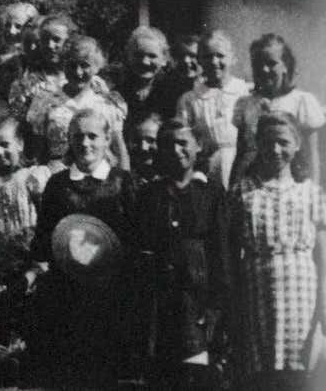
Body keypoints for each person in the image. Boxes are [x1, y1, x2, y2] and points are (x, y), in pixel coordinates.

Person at [26, 109, 138, 383]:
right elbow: (43, 239)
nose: (85, 144)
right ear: (69, 140)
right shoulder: (58, 184)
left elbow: (135, 239)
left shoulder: (122, 182)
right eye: (78, 137)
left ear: (107, 138)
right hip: (68, 288)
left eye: (93, 136)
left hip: (111, 289)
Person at [228, 113, 326, 388]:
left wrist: (324, 297)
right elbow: (233, 252)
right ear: (258, 144)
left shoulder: (309, 191)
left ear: (296, 145)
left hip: (301, 293)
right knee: (262, 374)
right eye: (267, 142)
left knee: (300, 373)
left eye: (283, 142)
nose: (275, 150)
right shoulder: (242, 192)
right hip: (256, 292)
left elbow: (322, 252)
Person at [138, 117, 226, 386]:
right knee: (164, 374)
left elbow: (221, 252)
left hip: (197, 297)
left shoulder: (210, 191)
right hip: (160, 300)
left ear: (198, 145)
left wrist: (215, 306)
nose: (176, 150)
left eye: (182, 143)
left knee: (196, 374)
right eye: (167, 145)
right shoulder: (150, 194)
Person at [234, 34, 322, 182]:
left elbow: (312, 157)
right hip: (252, 182)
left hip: (292, 181)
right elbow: (241, 152)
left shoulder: (302, 101)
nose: (264, 69)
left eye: (271, 63)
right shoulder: (245, 103)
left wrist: (314, 194)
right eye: (258, 64)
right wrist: (233, 186)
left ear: (286, 66)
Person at [38, 35, 130, 170]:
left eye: (84, 65)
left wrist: (125, 182)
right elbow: (38, 148)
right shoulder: (46, 101)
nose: (78, 72)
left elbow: (119, 147)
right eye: (71, 65)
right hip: (58, 174)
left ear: (97, 67)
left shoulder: (107, 103)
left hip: (99, 174)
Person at [176, 30, 251, 188]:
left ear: (232, 58)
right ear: (200, 61)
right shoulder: (190, 99)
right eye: (207, 56)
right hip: (206, 168)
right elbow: (184, 137)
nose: (214, 62)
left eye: (220, 55)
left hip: (243, 165)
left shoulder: (245, 92)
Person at [0, 116, 49, 275]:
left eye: (4, 145)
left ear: (20, 144)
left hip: (34, 254)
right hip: (4, 258)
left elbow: (48, 216)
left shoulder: (33, 177)